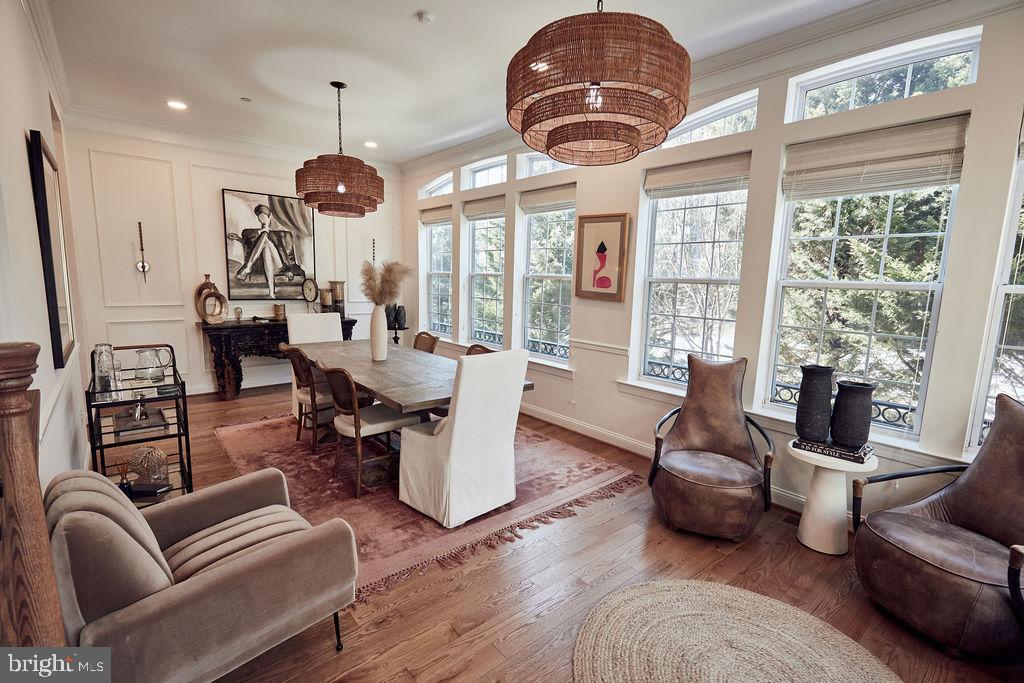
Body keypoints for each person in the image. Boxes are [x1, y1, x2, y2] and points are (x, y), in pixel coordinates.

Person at [227, 204, 304, 298]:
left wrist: (288, 268)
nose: (262, 219)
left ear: (269, 216)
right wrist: (237, 238)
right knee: (266, 246)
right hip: (260, 264)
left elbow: (282, 250)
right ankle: (271, 293)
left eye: (264, 216)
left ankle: (248, 266)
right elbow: (248, 246)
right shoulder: (254, 233)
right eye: (260, 216)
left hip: (279, 263)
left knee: (266, 239)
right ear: (258, 218)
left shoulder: (275, 235)